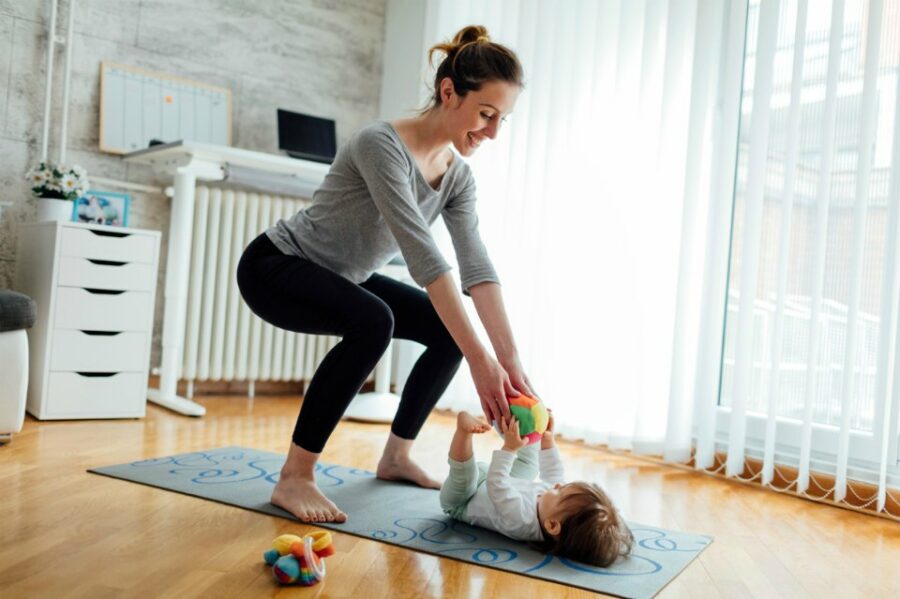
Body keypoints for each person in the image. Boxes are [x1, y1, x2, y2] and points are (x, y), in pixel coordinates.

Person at [236, 25, 534, 524]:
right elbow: (424, 257)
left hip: (344, 277)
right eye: (486, 114)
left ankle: (396, 455)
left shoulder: (457, 176)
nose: (493, 132)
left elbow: (476, 267)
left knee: (444, 333)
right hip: (276, 266)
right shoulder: (381, 144)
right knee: (375, 321)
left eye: (502, 119)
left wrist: (510, 362)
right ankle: (295, 476)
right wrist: (482, 363)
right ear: (448, 92)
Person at [440, 411, 634, 567]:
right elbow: (554, 473)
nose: (558, 486)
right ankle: (525, 427)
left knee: (465, 476)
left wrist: (509, 449)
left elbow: (496, 485)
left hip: (464, 500)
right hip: (500, 482)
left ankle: (463, 431)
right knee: (530, 465)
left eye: (561, 491)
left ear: (552, 525)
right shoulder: (553, 508)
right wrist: (547, 439)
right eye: (564, 487)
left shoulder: (521, 520)